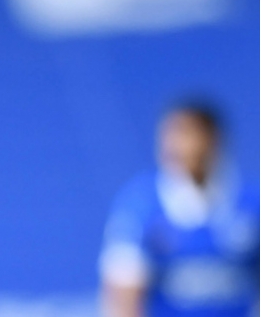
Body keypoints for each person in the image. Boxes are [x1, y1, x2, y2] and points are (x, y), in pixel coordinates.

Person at [99, 103, 260, 317]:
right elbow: (123, 294)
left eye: (186, 134)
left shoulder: (252, 204)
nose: (176, 146)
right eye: (169, 136)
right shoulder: (141, 205)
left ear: (213, 139)